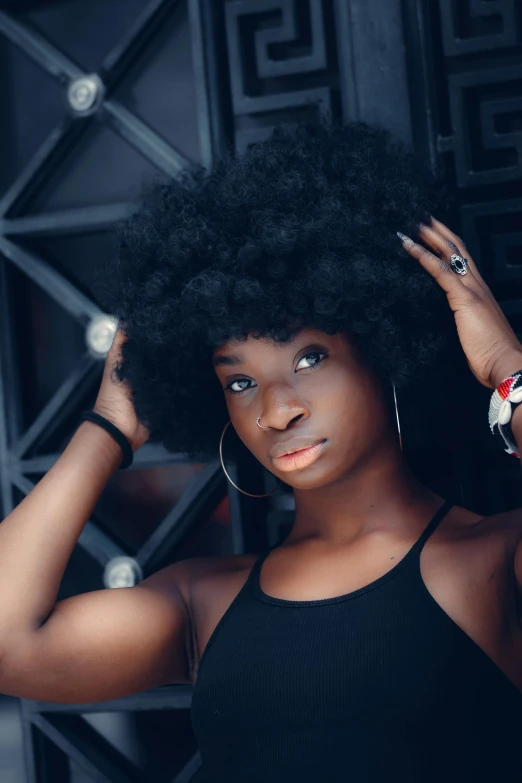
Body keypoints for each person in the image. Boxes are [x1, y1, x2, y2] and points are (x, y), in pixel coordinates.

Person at [0, 116, 520, 782]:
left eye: (311, 356)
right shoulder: (204, 602)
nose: (276, 409)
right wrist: (108, 425)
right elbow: (12, 640)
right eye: (240, 379)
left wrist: (507, 367)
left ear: (383, 345)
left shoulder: (492, 564)